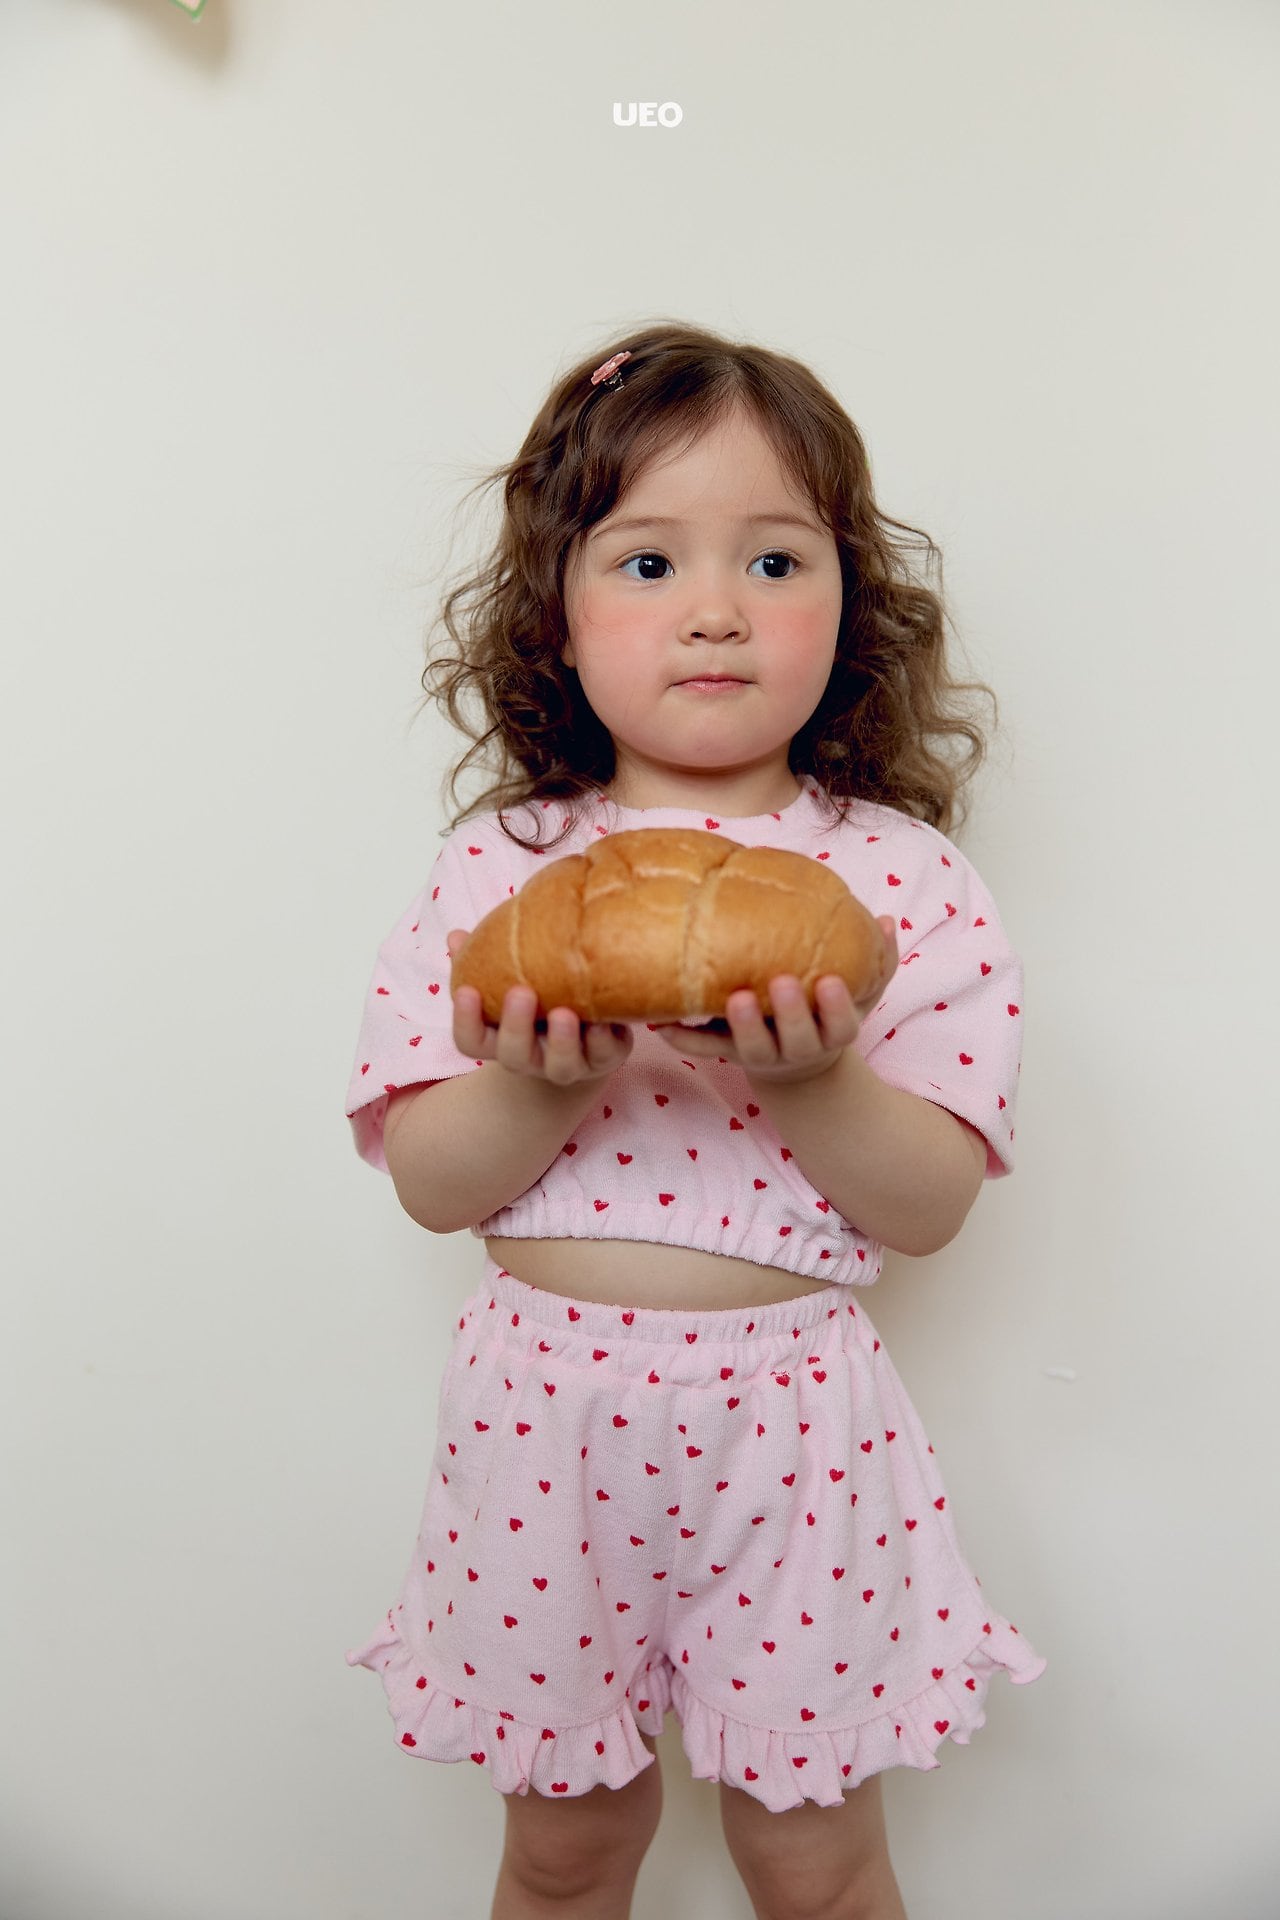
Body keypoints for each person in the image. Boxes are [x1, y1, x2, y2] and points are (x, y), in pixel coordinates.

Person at [344, 322, 1046, 1920]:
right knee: (566, 1852)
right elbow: (435, 1186)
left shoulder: (906, 883)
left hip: (795, 1420)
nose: (716, 608)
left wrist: (817, 1080)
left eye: (777, 561)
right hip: (541, 1419)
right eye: (649, 561)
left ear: (852, 610)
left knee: (815, 1861)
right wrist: (535, 1078)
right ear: (557, 612)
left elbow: (929, 1205)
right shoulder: (499, 873)